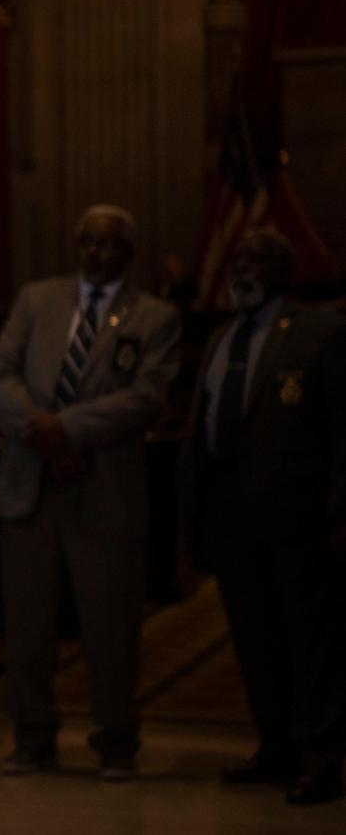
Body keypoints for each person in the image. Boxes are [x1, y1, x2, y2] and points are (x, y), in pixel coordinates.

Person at [0, 204, 180, 780]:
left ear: (128, 252)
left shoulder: (154, 316)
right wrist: (40, 432)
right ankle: (32, 739)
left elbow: (145, 398)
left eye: (108, 244)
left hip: (105, 494)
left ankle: (117, 743)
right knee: (26, 630)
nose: (95, 253)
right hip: (29, 489)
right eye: (86, 242)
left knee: (111, 629)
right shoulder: (37, 299)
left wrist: (64, 428)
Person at [179, 228, 346, 805]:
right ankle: (275, 748)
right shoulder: (225, 334)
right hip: (230, 519)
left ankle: (322, 758)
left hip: (300, 519)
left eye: (254, 261)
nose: (240, 268)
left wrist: (339, 509)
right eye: (237, 258)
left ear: (282, 271)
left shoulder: (320, 332)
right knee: (255, 639)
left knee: (310, 642)